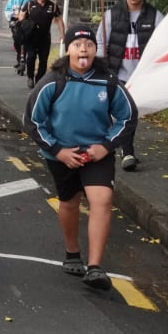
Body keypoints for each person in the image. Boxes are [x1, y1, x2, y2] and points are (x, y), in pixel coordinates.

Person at [24, 24, 137, 291]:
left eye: (88, 45)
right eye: (77, 45)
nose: (83, 49)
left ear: (95, 49)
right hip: (61, 153)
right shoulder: (53, 81)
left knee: (102, 199)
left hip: (96, 152)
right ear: (68, 49)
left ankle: (96, 267)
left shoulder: (107, 80)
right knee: (70, 201)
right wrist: (58, 151)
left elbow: (128, 116)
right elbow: (33, 120)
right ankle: (72, 252)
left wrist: (106, 146)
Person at [96, 0, 163, 172]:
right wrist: (101, 66)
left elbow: (164, 42)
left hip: (140, 75)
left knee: (129, 113)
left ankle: (127, 151)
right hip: (117, 73)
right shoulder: (112, 15)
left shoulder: (154, 16)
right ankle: (120, 149)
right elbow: (101, 40)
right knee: (118, 112)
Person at [22, 0, 65, 88]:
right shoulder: (29, 4)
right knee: (31, 58)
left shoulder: (52, 6)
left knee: (43, 60)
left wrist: (62, 34)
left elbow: (59, 20)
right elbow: (21, 16)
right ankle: (30, 77)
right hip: (31, 37)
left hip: (45, 37)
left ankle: (39, 80)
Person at [5, 0, 33, 71]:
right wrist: (14, 15)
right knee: (16, 41)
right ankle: (19, 59)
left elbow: (33, 9)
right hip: (15, 22)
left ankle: (23, 59)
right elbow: (7, 10)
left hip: (25, 22)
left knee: (24, 41)